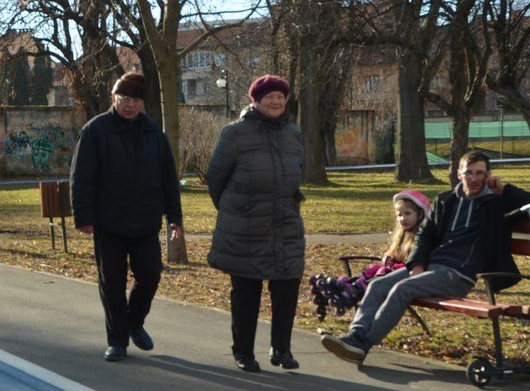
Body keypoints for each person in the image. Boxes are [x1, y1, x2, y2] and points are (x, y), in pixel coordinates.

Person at [320, 150, 530, 364]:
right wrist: (417, 264)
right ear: (459, 174)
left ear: (488, 175)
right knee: (378, 285)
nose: (474, 178)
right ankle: (355, 336)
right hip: (432, 267)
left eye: (480, 173)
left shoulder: (497, 203)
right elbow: (425, 235)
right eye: (469, 172)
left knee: (402, 289)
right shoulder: (446, 201)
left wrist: (506, 189)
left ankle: (362, 345)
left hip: (458, 274)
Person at [70, 71, 183, 362]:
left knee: (150, 275)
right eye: (124, 99)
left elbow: (169, 179)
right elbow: (81, 176)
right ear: (114, 98)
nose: (130, 105)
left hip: (145, 221)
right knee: (112, 282)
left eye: (135, 100)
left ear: (143, 102)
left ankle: (134, 322)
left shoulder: (153, 134)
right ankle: (117, 340)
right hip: (109, 222)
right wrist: (83, 216)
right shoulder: (96, 130)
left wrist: (175, 218)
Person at [205, 74, 305, 373]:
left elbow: (300, 170)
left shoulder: (293, 133)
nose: (275, 101)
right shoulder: (235, 133)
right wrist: (237, 209)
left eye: (280, 96)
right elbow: (215, 178)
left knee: (287, 286)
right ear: (255, 100)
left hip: (285, 222)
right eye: (269, 96)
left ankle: (281, 349)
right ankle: (243, 352)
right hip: (245, 226)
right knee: (246, 292)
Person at [308, 189, 430, 321]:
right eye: (399, 215)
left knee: (377, 277)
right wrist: (387, 259)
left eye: (408, 214)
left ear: (420, 215)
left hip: (402, 277)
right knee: (373, 271)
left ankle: (346, 293)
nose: (403, 218)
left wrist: (394, 266)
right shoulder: (401, 234)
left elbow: (415, 265)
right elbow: (393, 254)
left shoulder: (422, 238)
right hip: (389, 273)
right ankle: (343, 288)